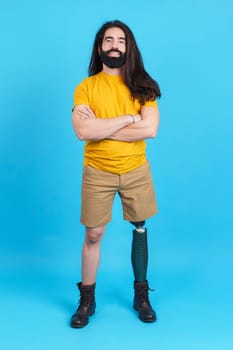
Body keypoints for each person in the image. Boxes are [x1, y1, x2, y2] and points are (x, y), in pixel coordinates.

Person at [70, 20, 161, 328]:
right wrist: (126, 119)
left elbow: (150, 129)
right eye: (108, 40)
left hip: (136, 169)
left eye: (120, 41)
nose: (114, 45)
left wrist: (103, 127)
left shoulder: (143, 86)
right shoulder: (86, 87)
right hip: (98, 171)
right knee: (93, 234)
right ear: (100, 47)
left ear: (128, 47)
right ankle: (86, 298)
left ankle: (141, 294)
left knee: (140, 227)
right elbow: (83, 131)